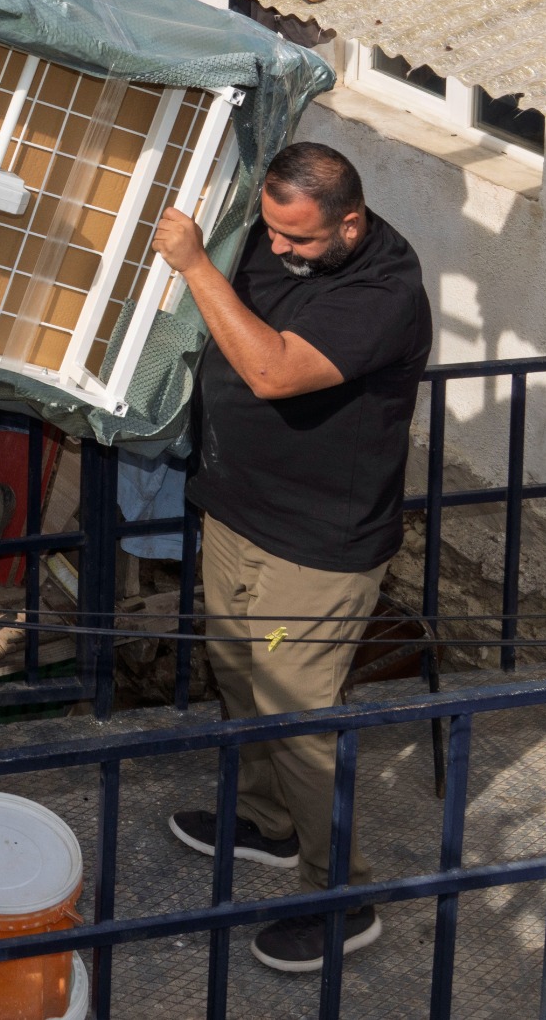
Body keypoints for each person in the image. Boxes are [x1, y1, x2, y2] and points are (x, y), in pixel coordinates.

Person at [150, 141, 432, 974]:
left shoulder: (388, 292)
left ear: (351, 223)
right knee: (238, 674)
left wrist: (198, 264)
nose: (277, 251)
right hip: (238, 512)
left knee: (300, 719)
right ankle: (272, 825)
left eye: (298, 241)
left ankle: (340, 896)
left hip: (317, 549)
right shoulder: (283, 240)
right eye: (270, 233)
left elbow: (272, 370)